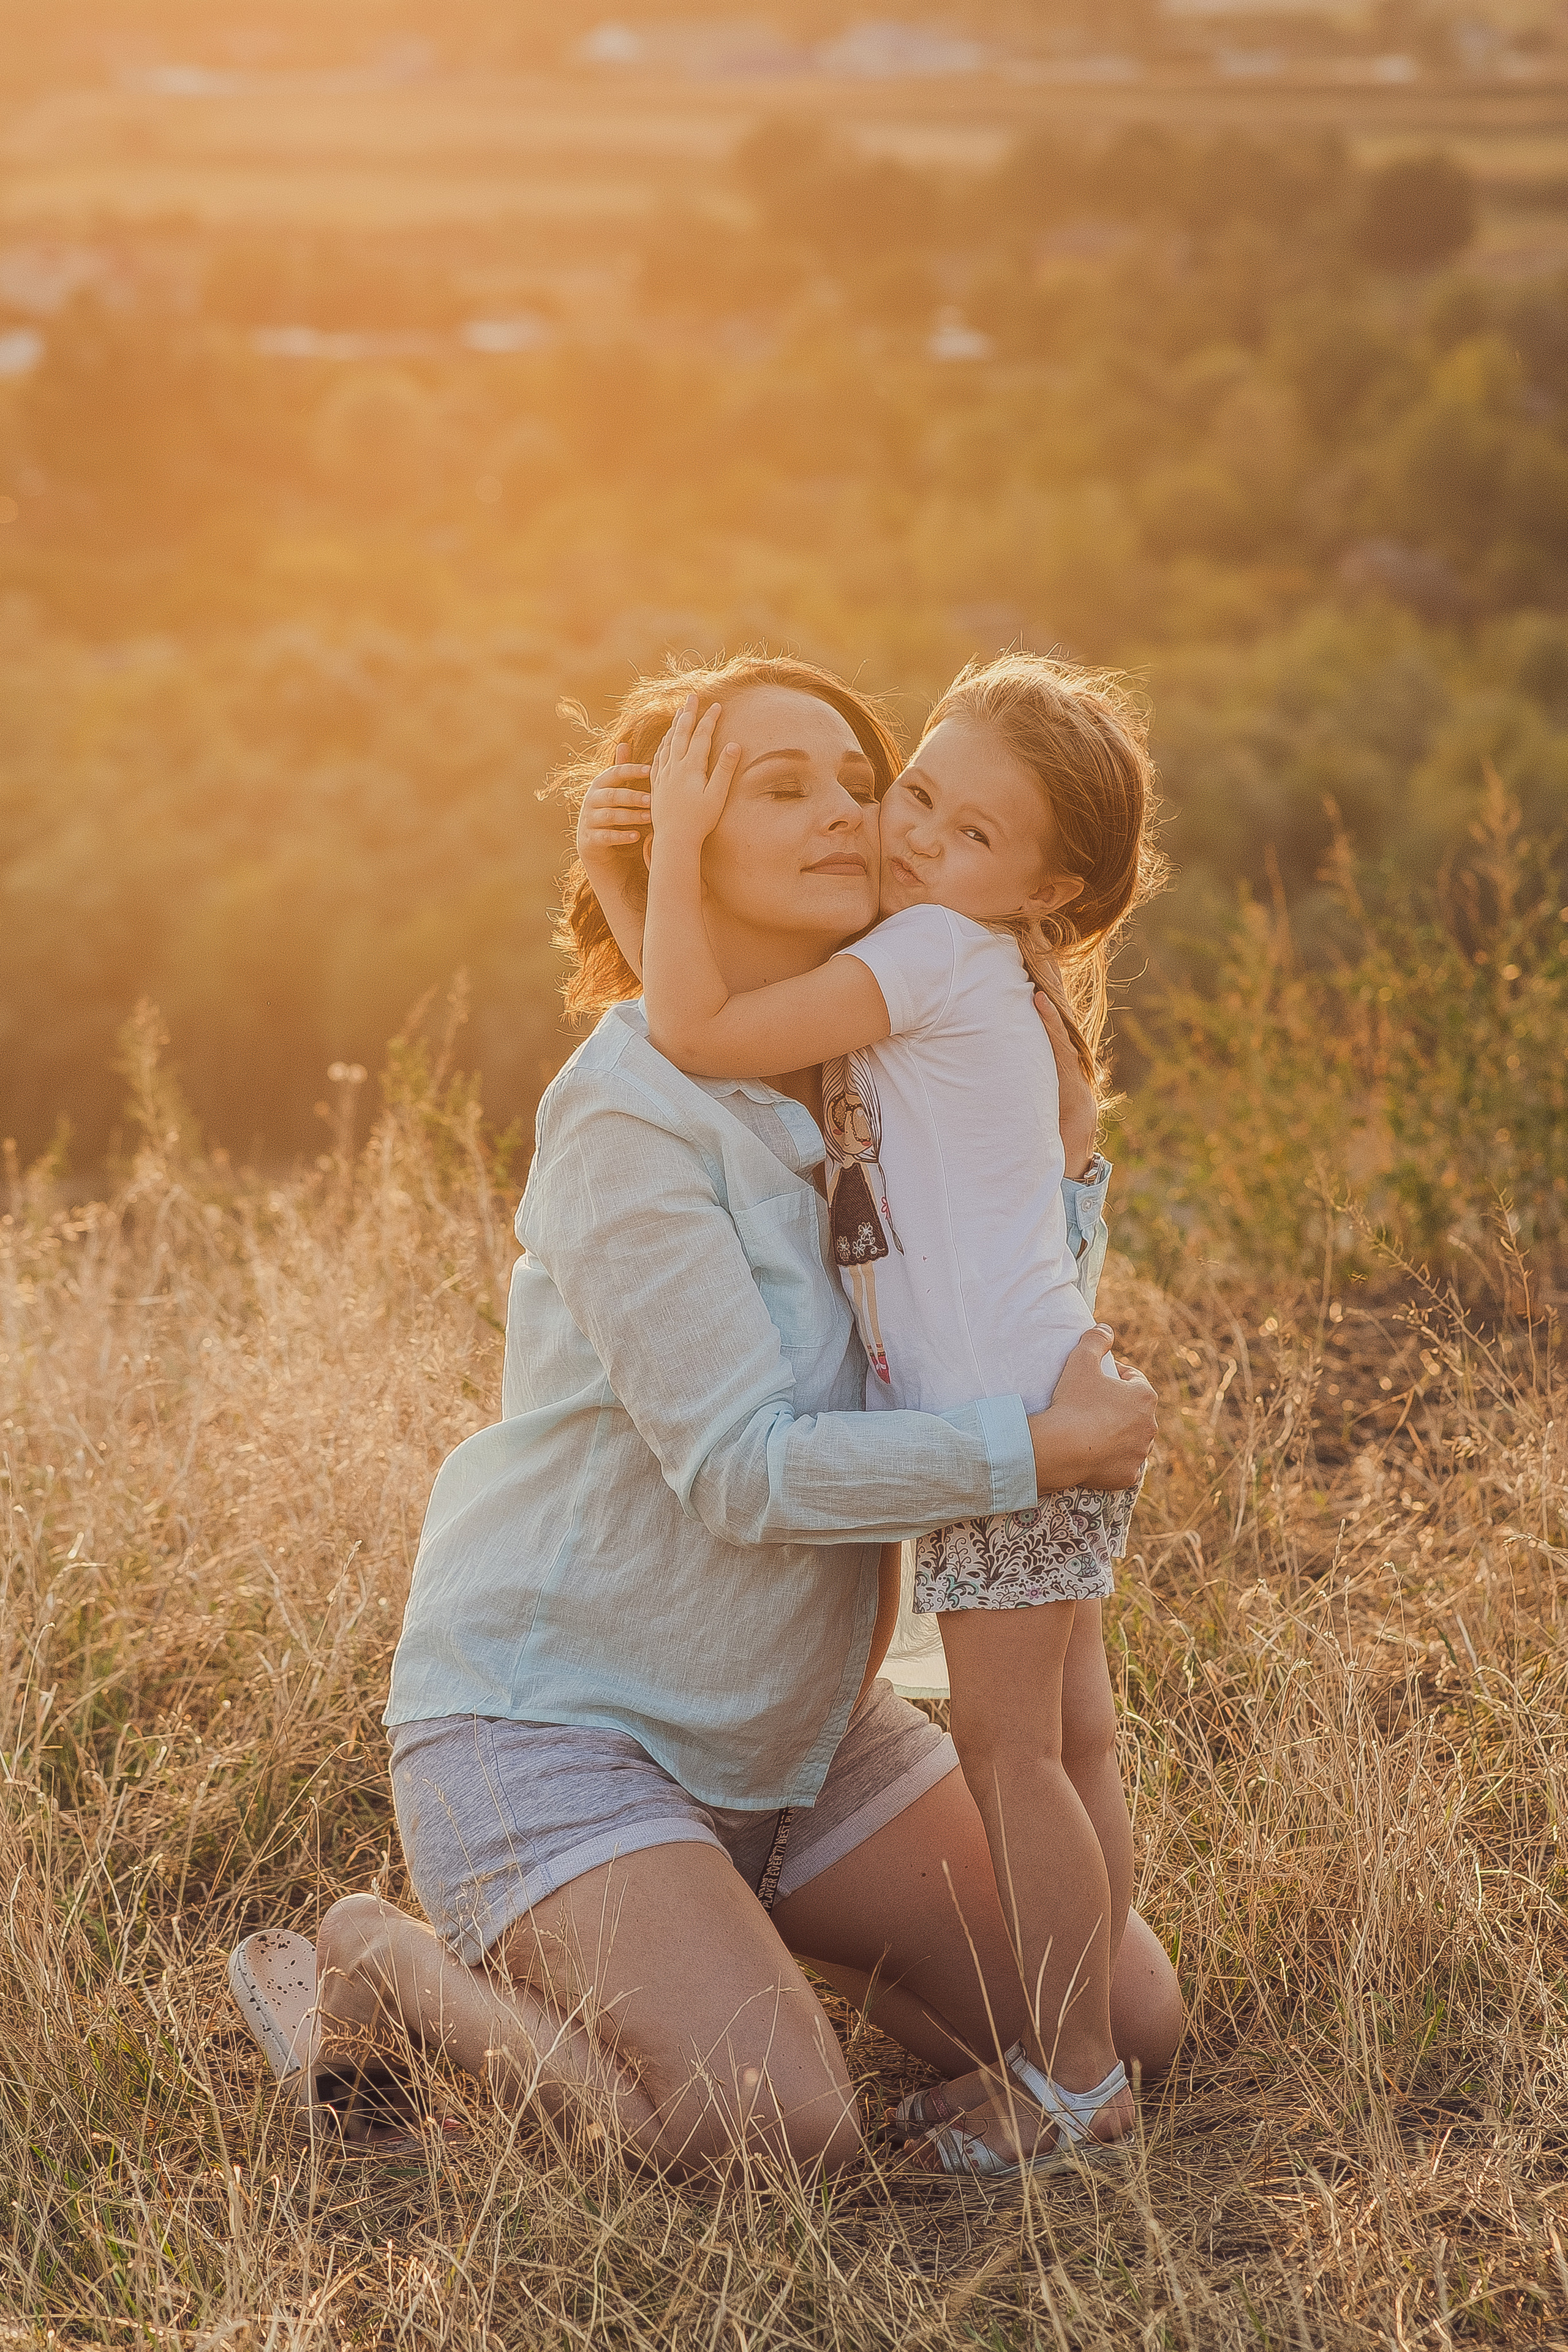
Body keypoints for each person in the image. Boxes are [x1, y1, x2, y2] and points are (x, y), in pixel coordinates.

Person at [230, 654, 1179, 2180]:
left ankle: (718, 1939)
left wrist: (1077, 1330)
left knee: (1120, 2021)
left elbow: (1004, 1261)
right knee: (773, 2138)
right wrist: (1035, 1451)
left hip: (805, 1740)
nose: (846, 816)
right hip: (560, 1729)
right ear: (692, 840)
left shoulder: (881, 1054)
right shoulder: (629, 1113)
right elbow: (742, 1477)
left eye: (860, 785)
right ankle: (380, 1966)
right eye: (776, 789)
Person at [621, 655, 1161, 2180]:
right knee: (1074, 1742)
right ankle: (1087, 2053)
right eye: (915, 791)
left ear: (1040, 883)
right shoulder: (995, 970)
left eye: (966, 832)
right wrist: (622, 865)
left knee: (1013, 1759)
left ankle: (1065, 2086)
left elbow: (698, 1031)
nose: (914, 837)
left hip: (1005, 1413)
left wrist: (666, 843)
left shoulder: (927, 951)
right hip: (1046, 1374)